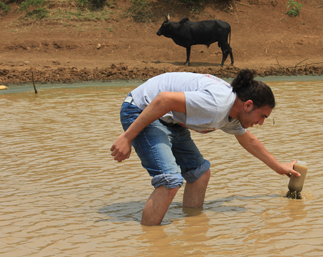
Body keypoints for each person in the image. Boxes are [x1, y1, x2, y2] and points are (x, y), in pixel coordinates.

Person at [110, 69, 300, 226]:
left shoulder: (233, 115)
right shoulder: (216, 104)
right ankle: (150, 243)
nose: (261, 123)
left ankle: (192, 231)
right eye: (262, 116)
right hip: (141, 109)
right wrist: (127, 137)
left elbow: (249, 141)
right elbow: (163, 100)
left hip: (168, 119)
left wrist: (279, 167)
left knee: (200, 174)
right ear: (248, 105)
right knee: (170, 181)